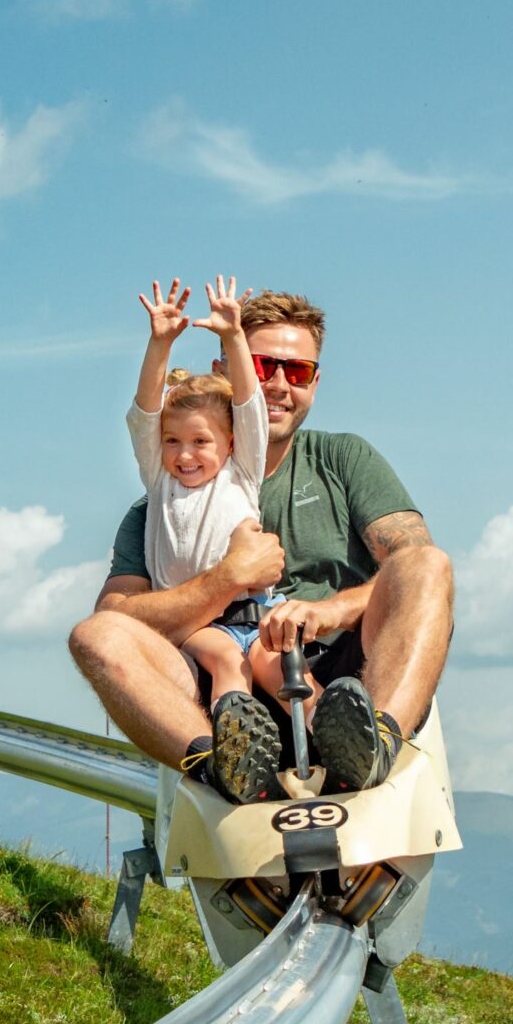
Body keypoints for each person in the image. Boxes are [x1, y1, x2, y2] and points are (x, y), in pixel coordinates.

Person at [70, 288, 454, 799]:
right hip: (210, 691)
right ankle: (220, 764)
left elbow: (413, 571)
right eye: (261, 365)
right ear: (227, 369)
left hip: (344, 678)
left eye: (296, 372)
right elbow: (115, 618)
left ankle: (373, 743)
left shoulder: (343, 460)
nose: (277, 385)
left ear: (315, 383)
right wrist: (226, 579)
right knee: (94, 635)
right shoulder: (156, 505)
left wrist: (328, 611)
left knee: (428, 563)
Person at [125, 275, 292, 803]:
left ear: (230, 442)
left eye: (201, 441)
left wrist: (234, 336)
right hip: (196, 621)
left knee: (284, 669)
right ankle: (239, 760)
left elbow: (249, 405)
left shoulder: (241, 475)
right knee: (226, 660)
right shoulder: (160, 481)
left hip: (257, 610)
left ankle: (330, 744)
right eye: (173, 442)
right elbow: (145, 411)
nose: (185, 454)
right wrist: (160, 343)